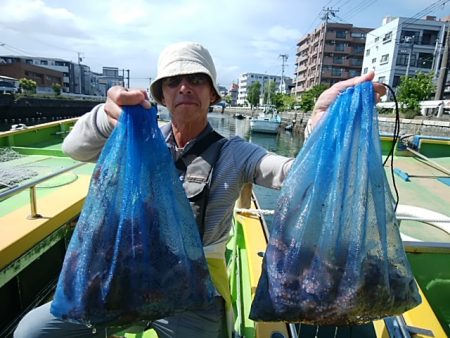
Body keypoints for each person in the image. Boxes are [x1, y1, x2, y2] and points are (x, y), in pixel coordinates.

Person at [14, 42, 386, 338]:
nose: (184, 87)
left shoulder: (236, 153)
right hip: (128, 275)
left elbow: (294, 175)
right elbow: (75, 149)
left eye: (196, 79)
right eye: (173, 82)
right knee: (32, 331)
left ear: (212, 93)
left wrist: (319, 126)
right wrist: (106, 115)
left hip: (198, 291)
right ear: (161, 95)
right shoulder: (139, 142)